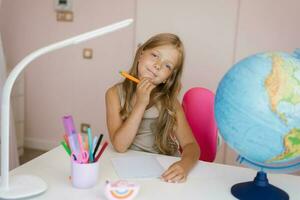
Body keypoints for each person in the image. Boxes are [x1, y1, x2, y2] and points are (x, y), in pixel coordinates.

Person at [105, 33, 200, 183]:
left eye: (167, 65)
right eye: (155, 55)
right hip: (127, 167)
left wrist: (184, 165)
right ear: (141, 53)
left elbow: (191, 145)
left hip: (164, 169)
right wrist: (140, 104)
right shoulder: (114, 94)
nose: (158, 65)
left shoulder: (170, 102)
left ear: (168, 77)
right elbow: (120, 146)